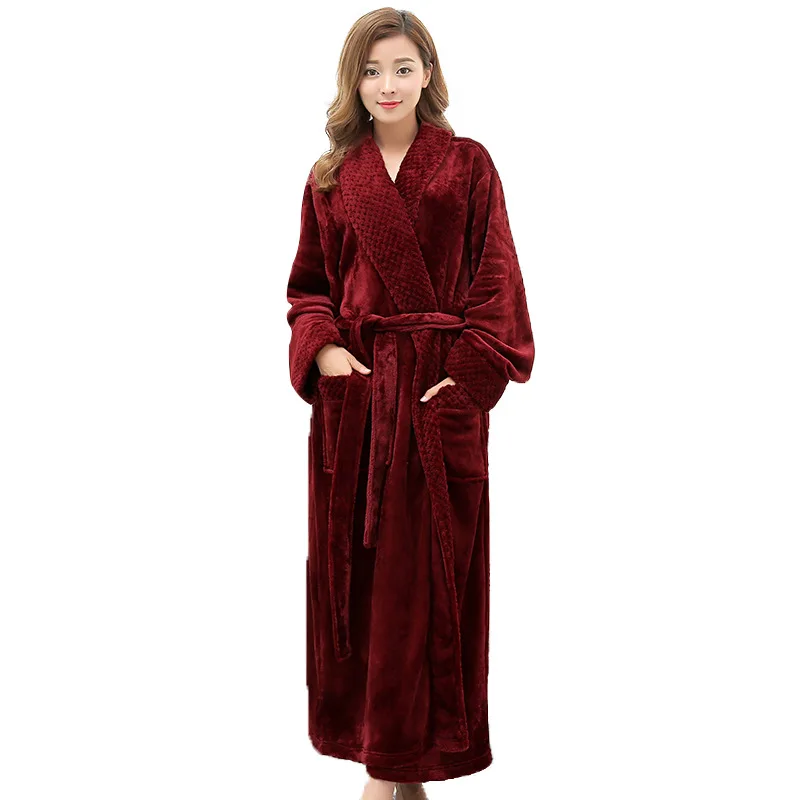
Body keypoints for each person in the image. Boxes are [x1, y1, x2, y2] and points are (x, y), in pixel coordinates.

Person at [286, 9, 535, 800]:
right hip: (358, 408)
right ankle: (388, 771)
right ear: (352, 82)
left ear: (428, 72)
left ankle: (396, 775)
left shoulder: (468, 166)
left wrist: (465, 381)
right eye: (371, 71)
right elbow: (308, 289)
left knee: (429, 585)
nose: (386, 85)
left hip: (434, 400)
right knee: (362, 588)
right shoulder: (332, 177)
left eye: (401, 68)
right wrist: (325, 352)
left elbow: (498, 282)